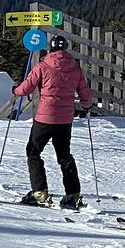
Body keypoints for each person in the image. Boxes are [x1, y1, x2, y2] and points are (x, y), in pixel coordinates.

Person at [12, 33, 93, 208]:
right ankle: (72, 194)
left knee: (33, 152)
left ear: (50, 48)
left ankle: (39, 191)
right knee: (64, 155)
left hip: (44, 118)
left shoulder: (43, 66)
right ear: (65, 48)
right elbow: (85, 92)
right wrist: (87, 104)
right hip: (65, 120)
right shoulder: (74, 67)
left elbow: (25, 89)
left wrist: (16, 90)